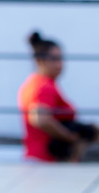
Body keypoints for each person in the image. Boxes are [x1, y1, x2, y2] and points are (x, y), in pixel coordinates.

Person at [19, 31, 97, 161]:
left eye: (60, 58)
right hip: (47, 161)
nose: (59, 64)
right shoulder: (44, 86)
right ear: (39, 61)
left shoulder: (33, 82)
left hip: (38, 159)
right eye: (54, 59)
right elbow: (40, 119)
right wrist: (71, 137)